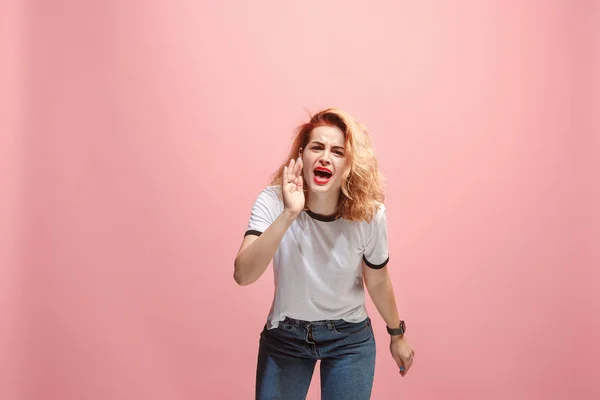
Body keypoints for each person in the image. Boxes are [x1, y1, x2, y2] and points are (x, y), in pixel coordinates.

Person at [234, 108, 415, 400]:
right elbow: (243, 275)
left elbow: (378, 281)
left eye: (338, 151)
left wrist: (397, 334)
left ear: (348, 165)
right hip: (285, 338)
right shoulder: (273, 200)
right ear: (302, 155)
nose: (325, 157)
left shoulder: (370, 214)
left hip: (349, 340)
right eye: (317, 147)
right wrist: (289, 214)